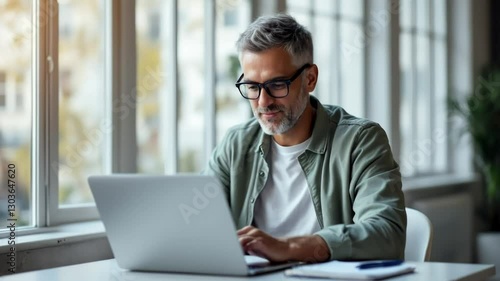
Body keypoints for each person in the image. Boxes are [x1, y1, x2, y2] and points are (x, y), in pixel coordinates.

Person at [204, 14, 406, 263]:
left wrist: (289, 248)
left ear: (310, 79)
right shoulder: (235, 145)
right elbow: (197, 226)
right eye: (252, 87)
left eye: (277, 84)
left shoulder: (360, 141)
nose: (263, 102)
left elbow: (387, 234)